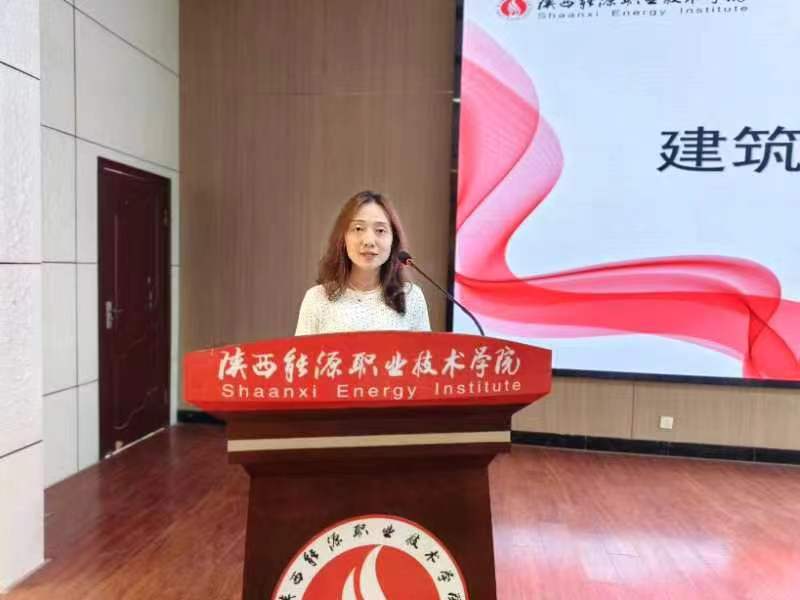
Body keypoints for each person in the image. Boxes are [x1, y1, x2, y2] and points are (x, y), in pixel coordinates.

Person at [295, 190, 431, 335]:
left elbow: (425, 350)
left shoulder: (411, 297)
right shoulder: (316, 299)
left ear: (393, 240)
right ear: (343, 238)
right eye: (358, 228)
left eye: (380, 230)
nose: (368, 241)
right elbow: (301, 351)